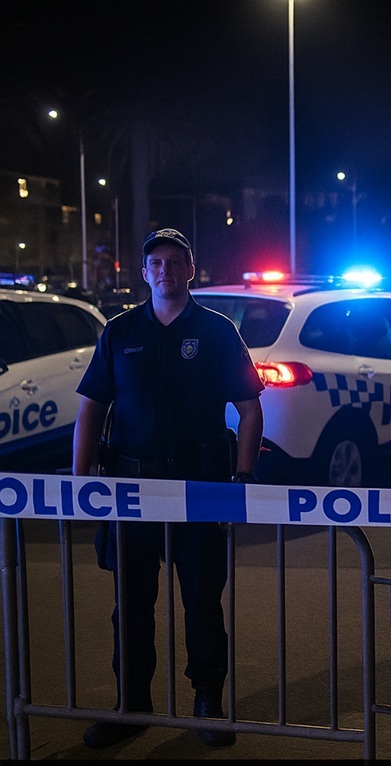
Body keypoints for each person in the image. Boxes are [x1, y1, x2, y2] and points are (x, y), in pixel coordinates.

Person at [72, 228, 265, 749]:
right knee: (130, 604)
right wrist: (80, 479)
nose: (165, 270)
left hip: (199, 485)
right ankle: (132, 705)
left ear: (190, 269)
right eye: (155, 262)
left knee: (202, 599)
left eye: (175, 261)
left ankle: (208, 702)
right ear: (144, 272)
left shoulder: (219, 331)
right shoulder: (119, 331)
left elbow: (250, 409)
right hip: (131, 488)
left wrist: (242, 479)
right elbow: (91, 407)